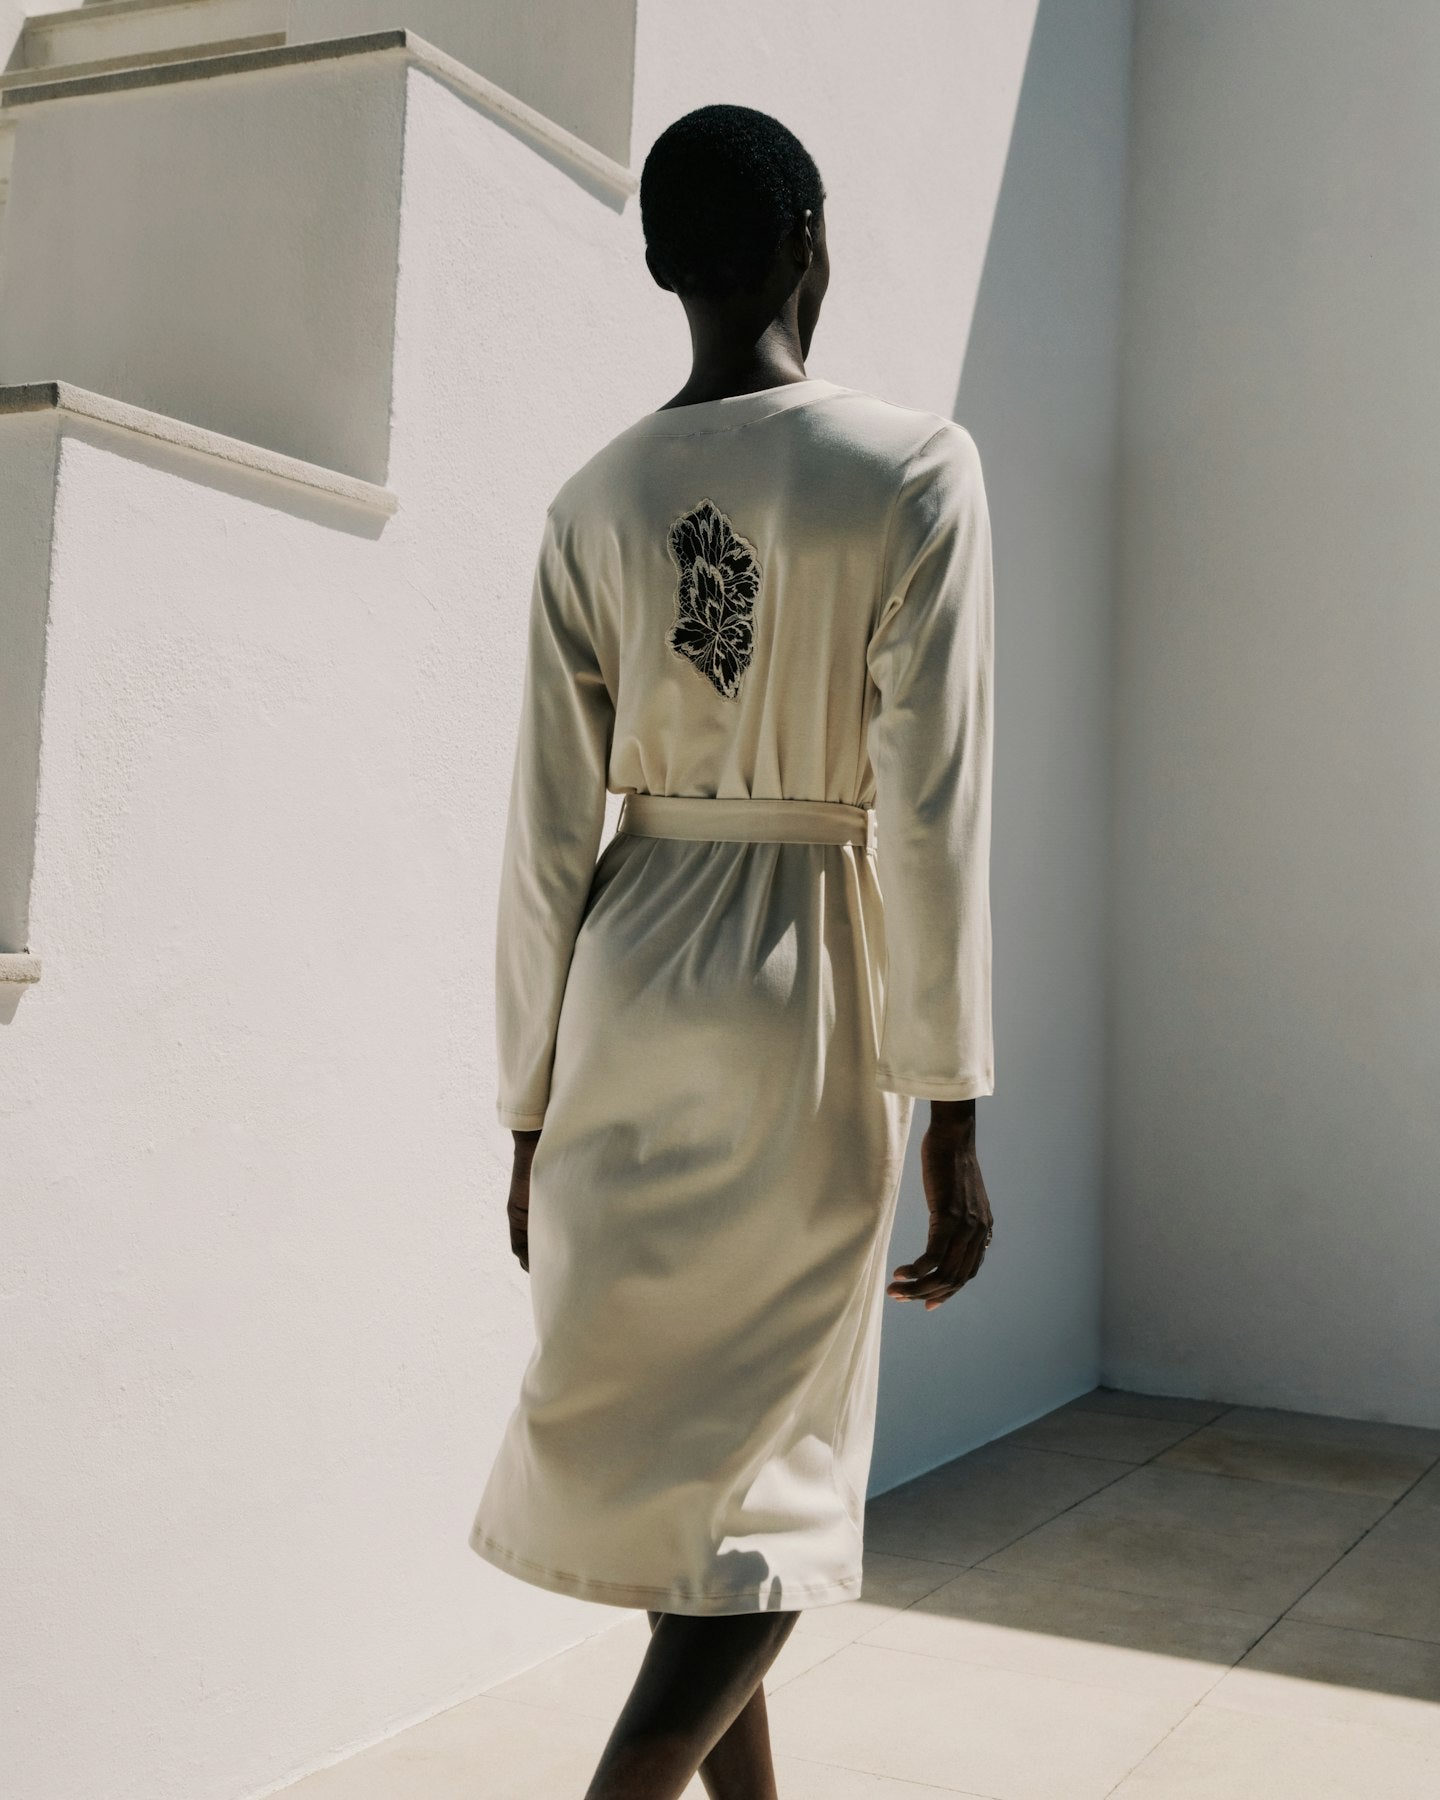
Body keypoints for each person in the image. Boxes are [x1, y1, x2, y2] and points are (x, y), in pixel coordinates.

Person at [470, 102, 997, 1800]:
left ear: (659, 267)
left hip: (626, 976)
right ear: (811, 241)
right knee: (770, 1472)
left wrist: (531, 1106)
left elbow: (543, 835)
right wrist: (954, 1108)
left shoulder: (594, 498)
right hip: (804, 986)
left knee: (694, 1473)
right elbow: (933, 812)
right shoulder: (913, 469)